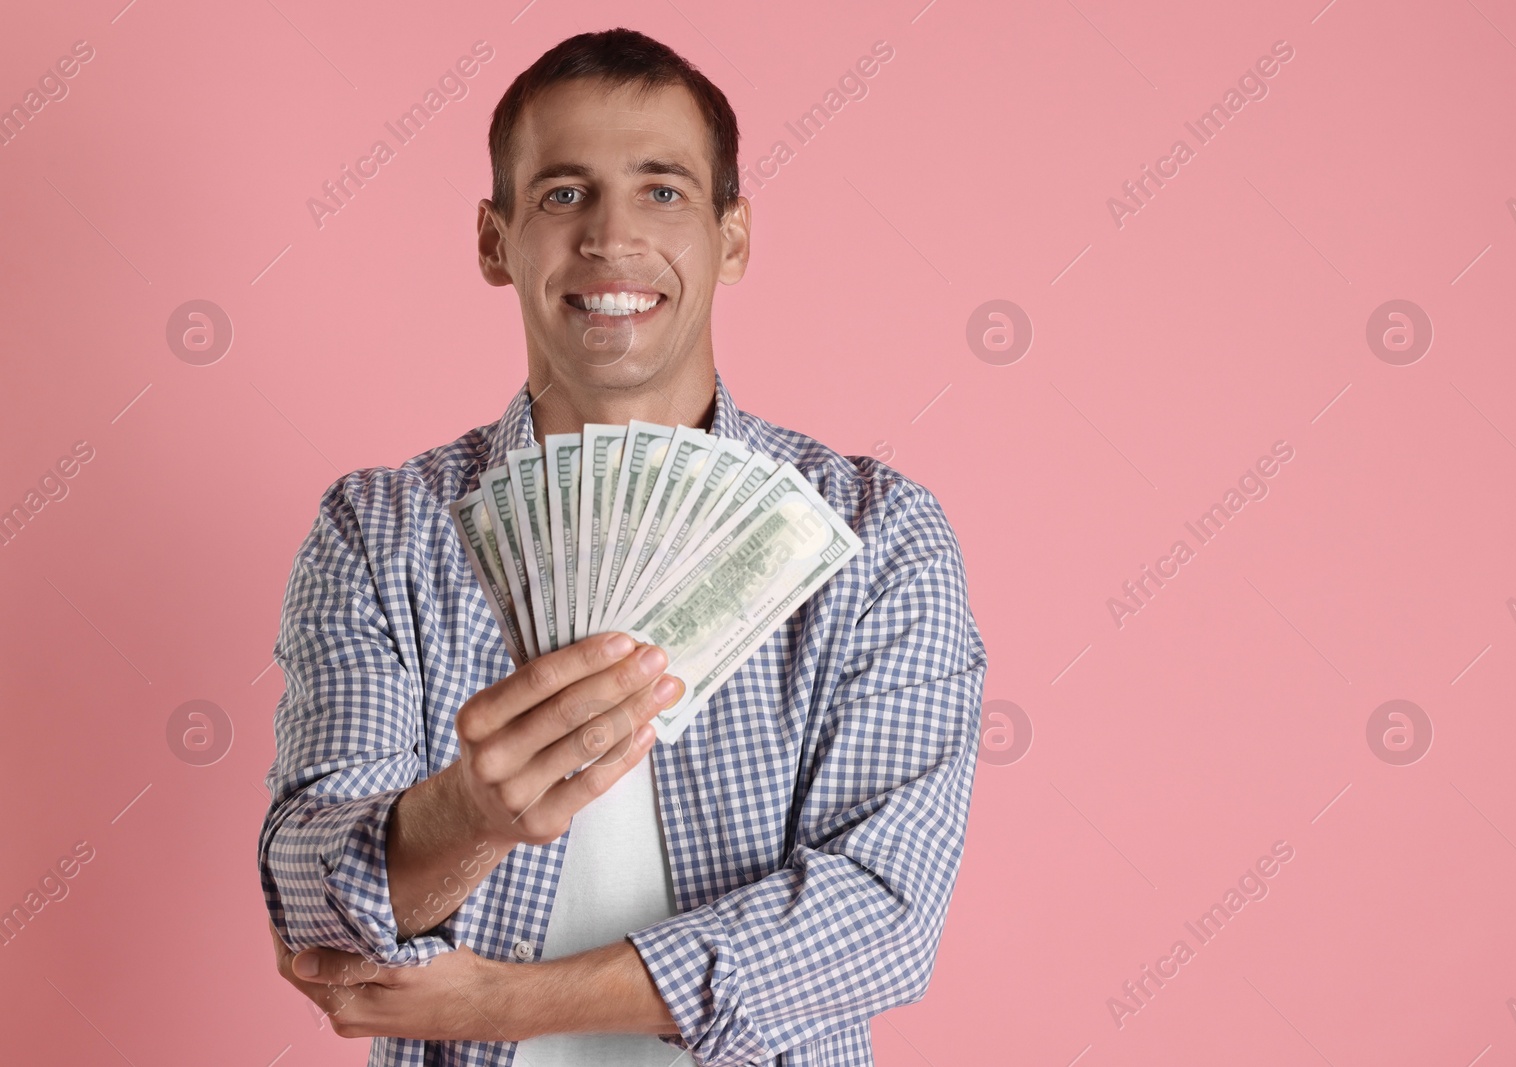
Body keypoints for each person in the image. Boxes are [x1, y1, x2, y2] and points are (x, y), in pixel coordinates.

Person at [258, 26, 987, 1067]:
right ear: (491, 239)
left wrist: (503, 1003)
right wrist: (468, 813)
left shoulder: (873, 536)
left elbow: (879, 912)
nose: (609, 237)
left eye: (663, 192)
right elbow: (306, 888)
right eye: (562, 194)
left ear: (732, 237)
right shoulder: (384, 529)